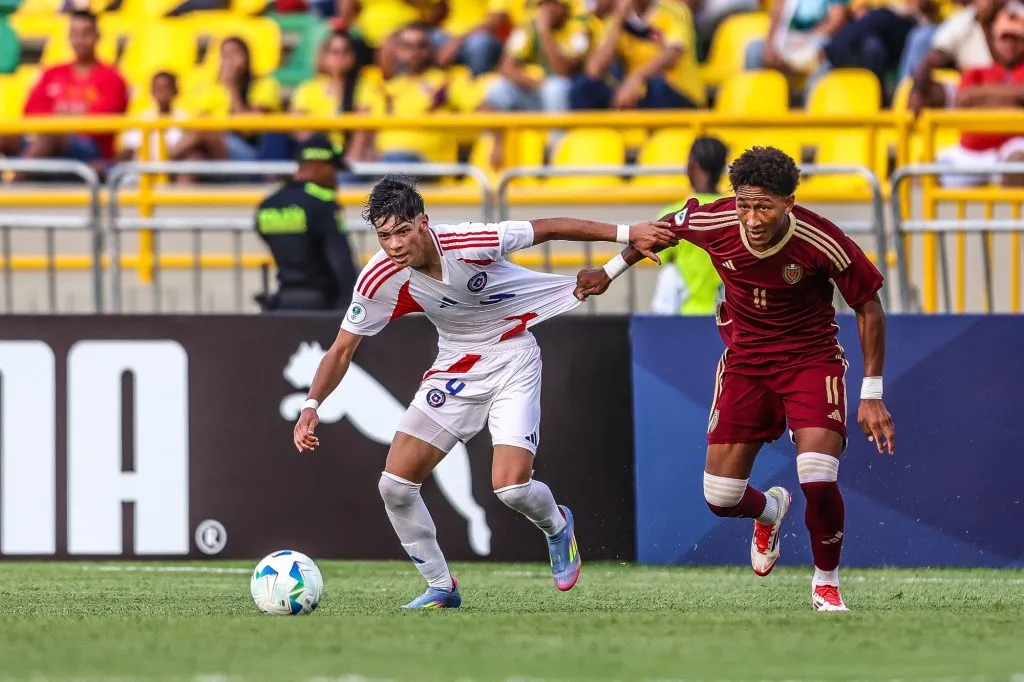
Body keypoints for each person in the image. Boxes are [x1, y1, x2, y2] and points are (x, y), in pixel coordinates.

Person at [292, 175, 676, 608]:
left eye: (402, 231)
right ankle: (440, 587)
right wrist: (311, 405)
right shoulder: (380, 277)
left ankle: (556, 526)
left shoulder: (471, 241)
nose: (394, 245)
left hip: (513, 355)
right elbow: (342, 349)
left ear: (424, 223)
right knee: (395, 487)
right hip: (455, 367)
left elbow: (547, 227)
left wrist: (629, 234)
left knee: (510, 488)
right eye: (384, 236)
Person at [575, 146, 895, 612]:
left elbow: (868, 305)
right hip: (745, 363)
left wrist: (872, 392)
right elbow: (662, 231)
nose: (751, 217)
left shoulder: (823, 240)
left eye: (764, 205)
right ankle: (769, 510)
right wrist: (608, 271)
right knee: (720, 497)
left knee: (817, 474)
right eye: (744, 204)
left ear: (789, 202)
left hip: (811, 361)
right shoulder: (716, 221)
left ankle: (826, 582)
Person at [0, 9, 128, 180]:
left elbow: (105, 121)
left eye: (86, 34)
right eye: (75, 34)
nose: (80, 40)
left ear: (97, 36)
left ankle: (13, 187)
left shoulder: (112, 77)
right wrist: (71, 118)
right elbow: (31, 111)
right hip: (45, 145)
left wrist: (61, 123)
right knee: (5, 137)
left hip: (90, 152)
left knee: (53, 135)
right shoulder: (52, 73)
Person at [254, 134, 358, 312]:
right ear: (319, 166)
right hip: (323, 307)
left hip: (283, 304)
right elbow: (341, 262)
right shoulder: (323, 204)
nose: (336, 179)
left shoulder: (268, 205)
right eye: (334, 170)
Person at [651, 136, 728, 315]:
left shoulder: (673, 214)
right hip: (729, 317)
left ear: (692, 165)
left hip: (685, 315)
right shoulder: (736, 211)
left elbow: (663, 260)